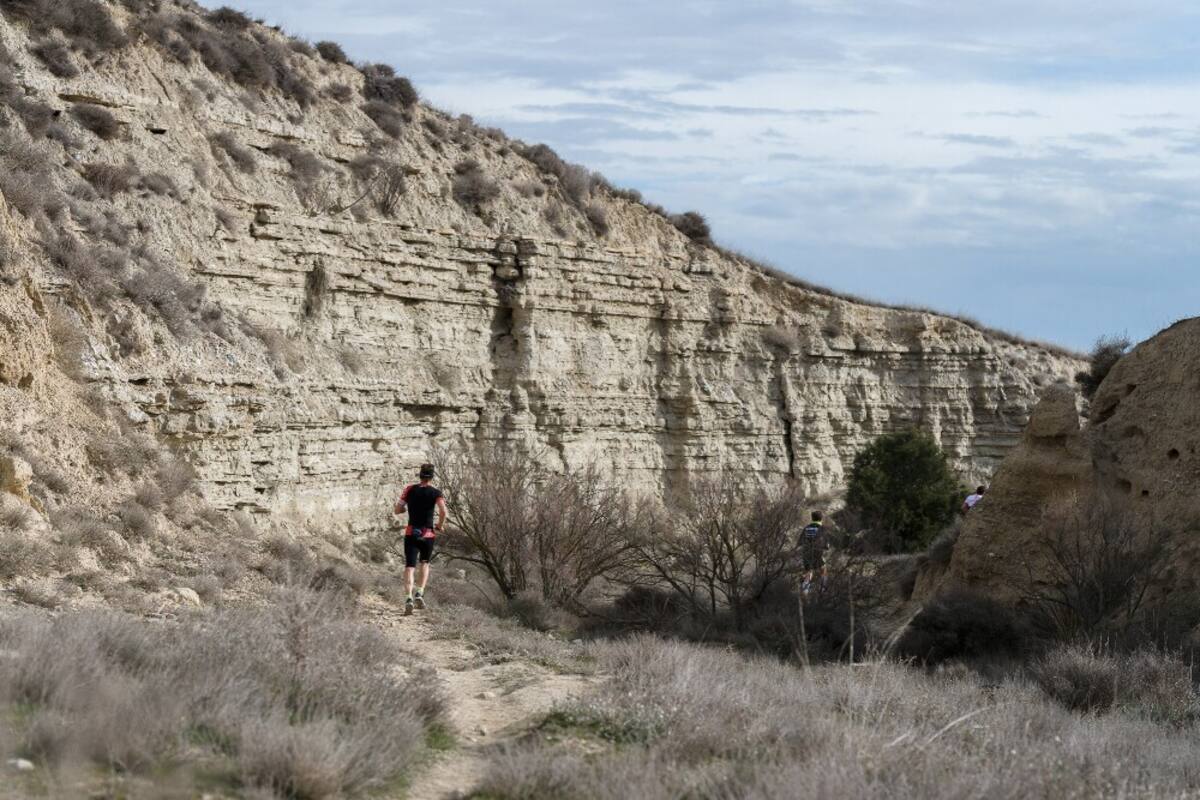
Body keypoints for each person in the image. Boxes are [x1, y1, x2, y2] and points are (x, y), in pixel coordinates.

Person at [394, 462, 447, 616]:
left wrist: (405, 508)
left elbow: (398, 510)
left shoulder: (410, 489)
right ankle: (420, 592)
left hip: (411, 532)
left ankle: (408, 597)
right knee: (425, 563)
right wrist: (439, 525)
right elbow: (443, 511)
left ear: (420, 475)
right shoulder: (436, 492)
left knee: (409, 566)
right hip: (428, 534)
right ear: (432, 477)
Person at [800, 511, 827, 597]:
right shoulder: (822, 528)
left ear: (812, 518)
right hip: (817, 553)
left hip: (806, 553)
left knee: (809, 572)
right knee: (823, 570)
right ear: (821, 518)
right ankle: (823, 591)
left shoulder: (806, 528)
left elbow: (800, 542)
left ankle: (804, 593)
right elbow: (826, 544)